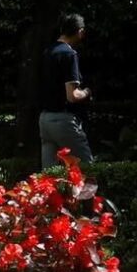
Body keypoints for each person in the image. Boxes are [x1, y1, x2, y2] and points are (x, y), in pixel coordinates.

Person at [40, 12, 95, 170]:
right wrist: (87, 92)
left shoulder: (47, 52)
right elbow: (72, 96)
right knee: (87, 168)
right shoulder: (69, 54)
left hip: (45, 120)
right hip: (63, 120)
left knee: (50, 176)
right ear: (79, 31)